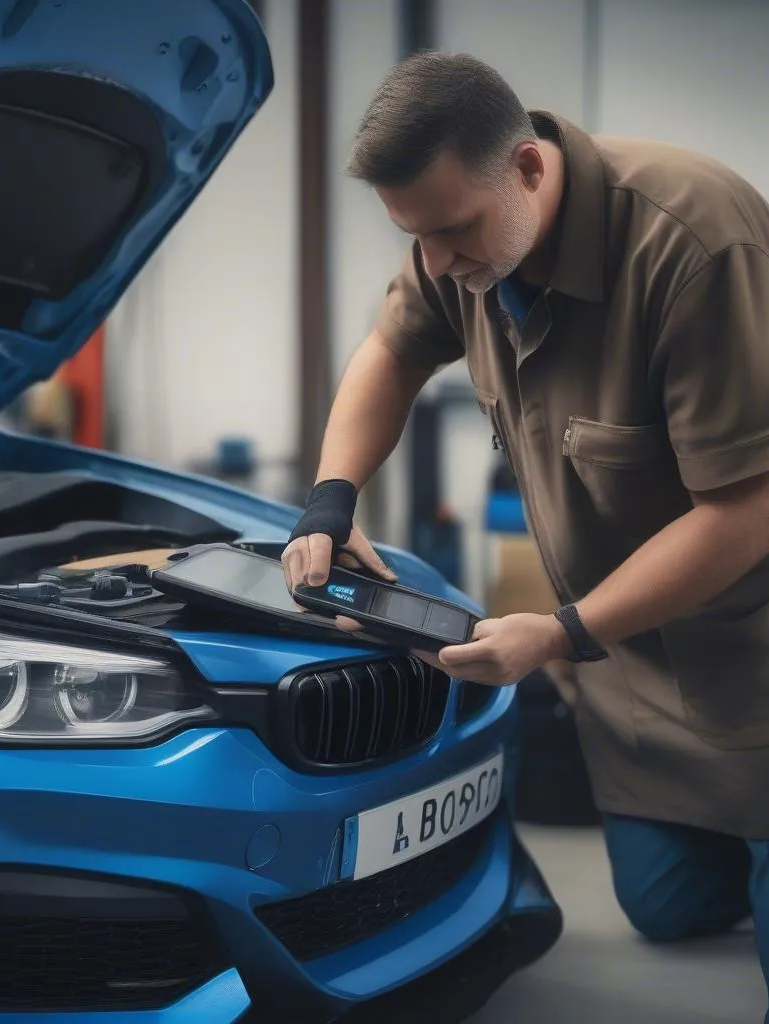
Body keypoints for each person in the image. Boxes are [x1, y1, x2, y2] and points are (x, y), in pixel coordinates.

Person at [281, 51, 769, 1009]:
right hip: (631, 662)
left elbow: (748, 507)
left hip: (753, 643)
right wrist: (331, 501)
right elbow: (389, 348)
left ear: (531, 168)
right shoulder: (456, 242)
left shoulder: (696, 242)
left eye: (454, 232)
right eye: (414, 238)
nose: (438, 264)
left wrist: (560, 632)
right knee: (662, 908)